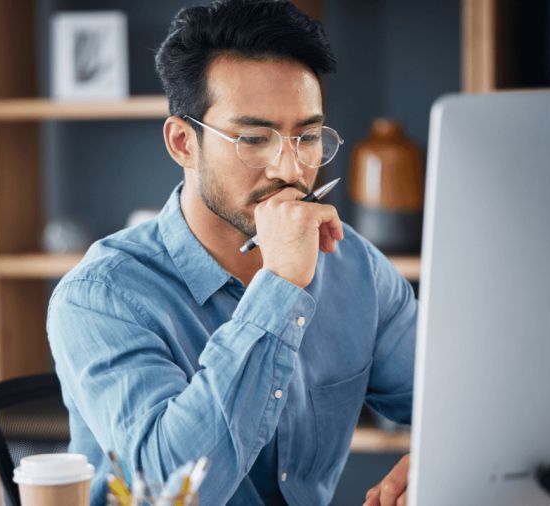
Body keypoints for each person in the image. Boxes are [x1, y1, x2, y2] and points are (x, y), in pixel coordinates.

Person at [47, 1, 415, 504]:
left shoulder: (356, 268)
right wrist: (280, 286)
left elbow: (461, 403)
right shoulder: (100, 296)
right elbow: (172, 491)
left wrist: (433, 458)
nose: (289, 168)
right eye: (254, 138)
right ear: (183, 142)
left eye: (306, 136)